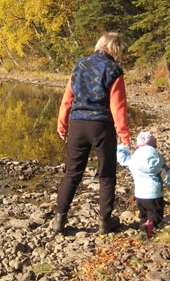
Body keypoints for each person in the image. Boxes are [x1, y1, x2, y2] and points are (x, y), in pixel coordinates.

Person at [53, 32, 131, 235]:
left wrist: (62, 124)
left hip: (78, 125)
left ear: (100, 45)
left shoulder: (80, 65)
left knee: (72, 174)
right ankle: (105, 222)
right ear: (115, 49)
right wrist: (123, 134)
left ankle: (59, 220)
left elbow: (67, 98)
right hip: (101, 127)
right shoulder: (114, 69)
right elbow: (118, 107)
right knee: (106, 176)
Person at [116, 131, 170, 238]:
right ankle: (149, 227)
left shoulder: (133, 159)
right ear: (154, 145)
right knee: (155, 214)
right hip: (154, 194)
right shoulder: (157, 159)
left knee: (144, 214)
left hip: (140, 195)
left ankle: (143, 225)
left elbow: (122, 159)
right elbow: (166, 175)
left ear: (138, 145)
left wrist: (123, 146)